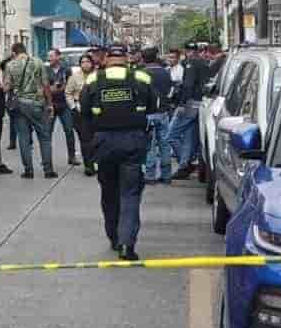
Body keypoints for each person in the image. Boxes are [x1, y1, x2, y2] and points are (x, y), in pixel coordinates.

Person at [82, 44, 158, 260]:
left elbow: (84, 112)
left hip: (103, 142)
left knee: (109, 192)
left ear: (106, 58)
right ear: (125, 58)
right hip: (133, 141)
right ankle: (127, 244)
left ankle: (114, 237)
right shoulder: (141, 78)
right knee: (130, 193)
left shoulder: (93, 80)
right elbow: (154, 107)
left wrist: (90, 144)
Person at [2, 42, 55, 180]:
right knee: (44, 137)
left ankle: (28, 171)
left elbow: (6, 88)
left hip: (19, 106)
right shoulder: (38, 62)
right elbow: (46, 85)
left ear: (14, 53)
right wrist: (50, 104)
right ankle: (48, 170)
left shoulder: (10, 65)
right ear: (25, 50)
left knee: (23, 138)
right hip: (38, 104)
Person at [170, 42, 210, 180]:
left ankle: (186, 164)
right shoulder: (204, 62)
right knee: (189, 137)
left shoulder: (191, 63)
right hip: (201, 103)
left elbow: (188, 85)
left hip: (190, 103)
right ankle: (184, 165)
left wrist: (182, 104)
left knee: (171, 135)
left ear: (186, 51)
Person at [139, 46, 175, 184]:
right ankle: (166, 175)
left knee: (150, 146)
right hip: (163, 112)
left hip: (148, 114)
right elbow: (169, 90)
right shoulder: (166, 72)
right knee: (165, 144)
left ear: (144, 58)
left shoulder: (141, 74)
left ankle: (150, 175)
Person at [45, 49, 79, 167]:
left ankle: (72, 156)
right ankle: (47, 158)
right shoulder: (45, 70)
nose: (49, 58)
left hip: (64, 105)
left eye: (52, 56)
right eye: (48, 56)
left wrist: (59, 88)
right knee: (47, 132)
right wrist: (51, 89)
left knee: (69, 131)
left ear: (58, 57)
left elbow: (70, 86)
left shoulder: (66, 69)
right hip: (50, 105)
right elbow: (43, 86)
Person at [67, 53, 95, 176]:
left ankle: (96, 163)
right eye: (83, 62)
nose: (85, 64)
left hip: (95, 111)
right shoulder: (74, 77)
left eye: (87, 62)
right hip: (79, 112)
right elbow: (68, 93)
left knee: (96, 139)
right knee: (84, 140)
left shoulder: (97, 75)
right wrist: (73, 107)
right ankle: (88, 165)